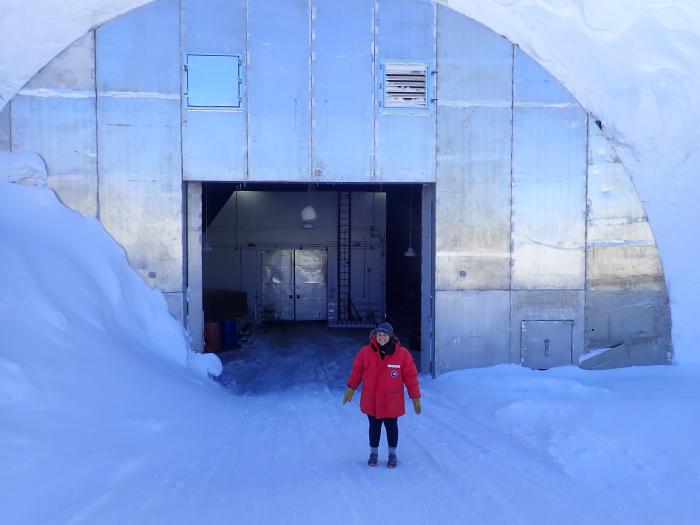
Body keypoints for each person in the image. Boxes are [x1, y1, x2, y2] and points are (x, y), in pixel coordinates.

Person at [342, 322, 422, 468]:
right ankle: (373, 454)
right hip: (371, 399)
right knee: (374, 427)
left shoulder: (402, 354)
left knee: (392, 427)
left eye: (385, 335)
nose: (382, 338)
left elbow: (411, 377)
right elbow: (357, 371)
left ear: (390, 336)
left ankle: (392, 455)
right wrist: (351, 387)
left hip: (392, 400)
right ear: (375, 335)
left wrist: (415, 397)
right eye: (379, 335)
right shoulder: (366, 352)